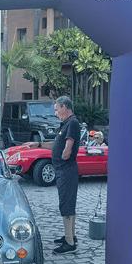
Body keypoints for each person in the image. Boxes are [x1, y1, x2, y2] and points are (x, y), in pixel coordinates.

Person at [24, 96, 81, 255]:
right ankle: (71, 236)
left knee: (66, 204)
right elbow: (57, 144)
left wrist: (64, 155)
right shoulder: (65, 124)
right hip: (63, 170)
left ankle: (70, 243)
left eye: (56, 109)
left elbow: (69, 144)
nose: (55, 113)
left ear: (64, 107)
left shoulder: (72, 123)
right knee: (68, 203)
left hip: (66, 170)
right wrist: (38, 144)